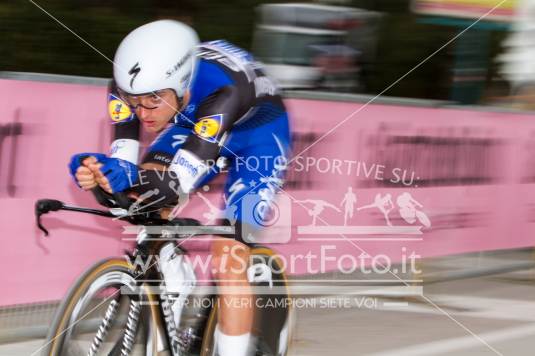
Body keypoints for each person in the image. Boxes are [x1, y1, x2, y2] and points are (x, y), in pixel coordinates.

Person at [68, 20, 291, 356]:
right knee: (144, 194)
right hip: (195, 121)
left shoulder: (221, 91)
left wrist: (129, 178)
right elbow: (128, 168)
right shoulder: (127, 87)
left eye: (152, 102)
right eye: (133, 102)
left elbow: (177, 183)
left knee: (229, 255)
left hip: (258, 136)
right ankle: (172, 275)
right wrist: (98, 173)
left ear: (182, 84)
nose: (141, 113)